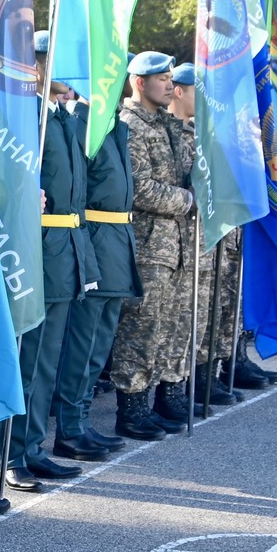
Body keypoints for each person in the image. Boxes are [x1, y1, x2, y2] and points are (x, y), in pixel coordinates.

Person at [11, 48, 92, 478]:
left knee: (47, 357)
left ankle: (33, 446)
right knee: (29, 356)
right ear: (37, 67)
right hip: (37, 245)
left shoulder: (60, 115)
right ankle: (11, 454)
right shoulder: (28, 115)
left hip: (64, 246)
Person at [50, 74, 139, 453]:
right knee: (82, 342)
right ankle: (70, 426)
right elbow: (77, 194)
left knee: (99, 341)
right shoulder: (85, 123)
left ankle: (81, 420)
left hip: (116, 241)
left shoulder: (111, 123)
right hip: (96, 239)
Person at [112, 53, 194, 440]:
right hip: (146, 245)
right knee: (140, 327)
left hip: (171, 245)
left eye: (170, 78)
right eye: (161, 78)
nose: (169, 84)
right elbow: (139, 188)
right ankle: (130, 407)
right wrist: (187, 200)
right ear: (139, 82)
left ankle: (155, 398)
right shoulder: (131, 125)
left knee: (164, 325)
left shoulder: (166, 125)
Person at [169, 64, 240, 413]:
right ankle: (168, 394)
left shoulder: (202, 132)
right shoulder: (171, 131)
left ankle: (201, 378)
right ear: (179, 91)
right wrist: (190, 199)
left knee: (203, 317)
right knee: (174, 322)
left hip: (204, 240)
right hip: (173, 243)